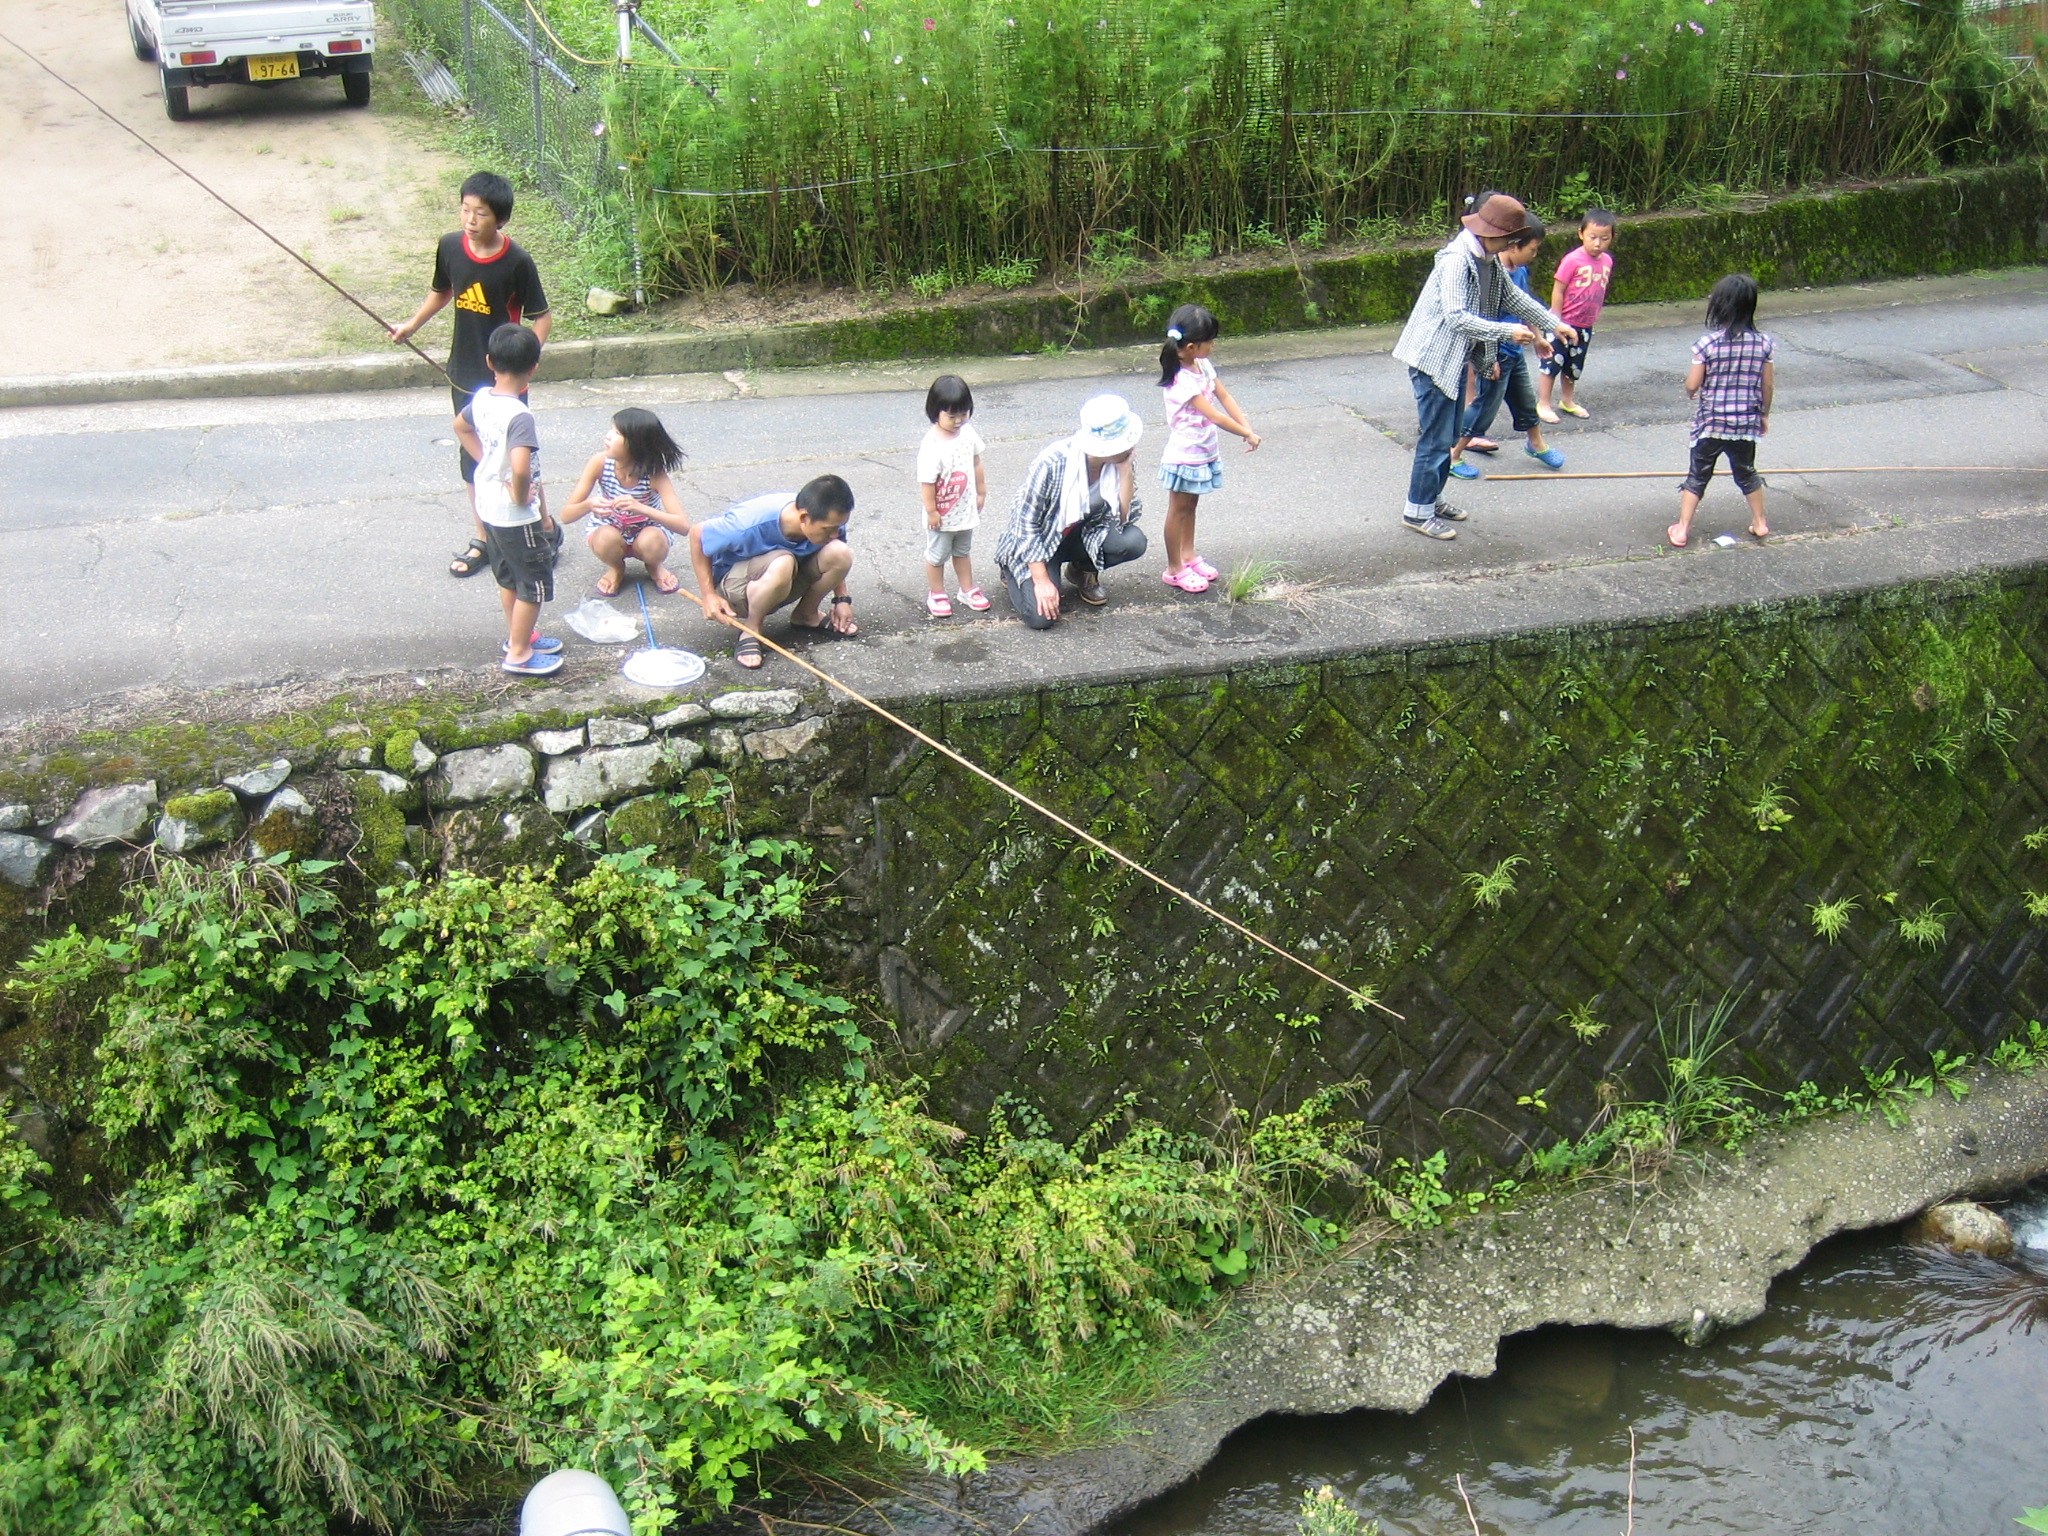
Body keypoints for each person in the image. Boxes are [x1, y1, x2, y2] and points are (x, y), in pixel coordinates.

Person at [390, 171, 552, 579]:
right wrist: (413, 325)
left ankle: (544, 528)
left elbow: (541, 317)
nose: (470, 219)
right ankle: (486, 537)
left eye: (480, 213)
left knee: (521, 459)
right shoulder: (449, 247)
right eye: (465, 209)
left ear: (500, 220)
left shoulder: (517, 261)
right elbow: (443, 290)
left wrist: (524, 361)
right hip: (464, 369)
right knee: (473, 459)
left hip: (505, 379)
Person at [1389, 192, 1576, 540]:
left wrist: (1552, 323)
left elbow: (1512, 297)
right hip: (1433, 358)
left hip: (1455, 359)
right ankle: (1416, 512)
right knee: (1435, 438)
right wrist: (1508, 331)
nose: (1512, 243)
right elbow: (1458, 318)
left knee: (1447, 435)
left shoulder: (1486, 259)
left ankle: (1431, 499)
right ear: (1493, 233)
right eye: (1511, 237)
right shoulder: (1457, 260)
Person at [449, 324, 561, 676]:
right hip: (515, 516)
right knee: (533, 584)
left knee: (508, 578)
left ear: (489, 361)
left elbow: (460, 426)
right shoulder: (520, 416)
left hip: (488, 509)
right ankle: (518, 651)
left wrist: (485, 462)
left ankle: (519, 633)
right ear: (534, 368)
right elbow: (521, 467)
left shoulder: (481, 397)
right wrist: (518, 492)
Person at [993, 394, 1147, 629]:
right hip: (1041, 542)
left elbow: (1124, 519)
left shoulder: (1121, 459)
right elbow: (1025, 523)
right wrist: (1041, 580)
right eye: (1124, 443)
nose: (1131, 447)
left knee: (1133, 541)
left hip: (1080, 534)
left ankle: (1081, 570)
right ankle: (1012, 568)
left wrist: (1125, 472)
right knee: (1041, 618)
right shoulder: (1052, 463)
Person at [689, 475, 858, 670]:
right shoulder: (747, 525)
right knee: (782, 562)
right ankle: (752, 629)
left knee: (841, 552)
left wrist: (842, 599)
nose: (836, 533)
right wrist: (709, 595)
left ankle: (806, 614)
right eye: (829, 529)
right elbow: (697, 534)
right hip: (736, 590)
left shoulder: (827, 519)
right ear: (804, 517)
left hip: (782, 580)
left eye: (839, 526)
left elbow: (835, 545)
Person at [1448, 219, 1566, 481]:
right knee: (1484, 407)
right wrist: (1488, 359)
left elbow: (1524, 305)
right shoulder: (1492, 273)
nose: (1534, 255)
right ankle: (1453, 454)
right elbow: (1482, 319)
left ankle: (1536, 444)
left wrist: (1538, 337)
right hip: (1497, 354)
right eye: (1532, 249)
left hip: (1515, 354)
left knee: (1525, 400)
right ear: (1513, 246)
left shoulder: (1519, 271)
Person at [1156, 304, 1261, 594]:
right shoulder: (1181, 379)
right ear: (1191, 346)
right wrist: (1246, 434)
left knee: (1191, 506)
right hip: (1184, 456)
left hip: (1202, 452)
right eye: (1210, 341)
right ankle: (1174, 568)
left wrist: (1247, 427)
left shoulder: (1201, 365)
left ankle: (1188, 556)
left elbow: (1224, 396)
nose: (1213, 346)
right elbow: (1214, 415)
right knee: (1178, 509)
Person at [1669, 274, 1774, 549]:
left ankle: (1681, 529)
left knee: (1698, 476)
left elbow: (1693, 384)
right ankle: (1760, 523)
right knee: (1747, 473)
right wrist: (1764, 413)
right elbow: (1768, 384)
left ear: (1719, 306)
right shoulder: (1763, 344)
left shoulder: (1707, 344)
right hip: (1745, 424)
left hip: (1711, 423)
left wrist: (1690, 389)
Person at [561, 409, 691, 596]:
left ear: (636, 444)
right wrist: (589, 505)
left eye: (617, 433)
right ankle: (616, 568)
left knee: (652, 539)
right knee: (604, 537)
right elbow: (566, 515)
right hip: (610, 533)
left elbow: (683, 526)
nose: (608, 436)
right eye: (611, 430)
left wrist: (642, 508)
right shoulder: (599, 463)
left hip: (646, 534)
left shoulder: (654, 473)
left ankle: (654, 566)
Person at [916, 374, 990, 616]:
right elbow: (927, 483)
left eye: (964, 413)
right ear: (935, 412)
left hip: (965, 510)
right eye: (951, 415)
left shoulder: (968, 433)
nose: (959, 420)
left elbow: (976, 462)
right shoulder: (932, 445)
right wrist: (932, 511)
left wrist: (981, 491)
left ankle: (966, 588)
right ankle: (936, 592)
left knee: (962, 551)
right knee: (937, 555)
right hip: (942, 515)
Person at [1537, 208, 1615, 423]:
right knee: (1553, 362)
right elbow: (1558, 289)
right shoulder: (1572, 260)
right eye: (1592, 237)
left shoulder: (1607, 261)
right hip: (1563, 322)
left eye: (1604, 238)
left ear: (1612, 238)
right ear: (1581, 233)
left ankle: (1567, 400)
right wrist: (1555, 319)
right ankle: (1543, 403)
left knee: (1574, 365)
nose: (1597, 243)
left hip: (1585, 324)